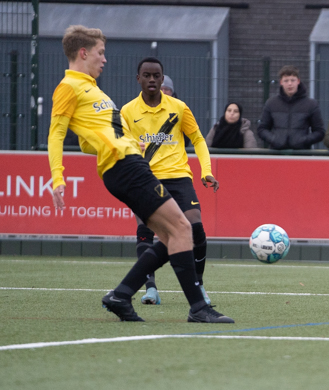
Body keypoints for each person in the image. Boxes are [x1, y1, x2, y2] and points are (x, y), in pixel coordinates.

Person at [46, 25, 231, 323]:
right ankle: (198, 308)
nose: (105, 59)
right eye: (100, 52)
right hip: (127, 167)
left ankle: (122, 295)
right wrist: (58, 177)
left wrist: (112, 141)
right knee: (183, 228)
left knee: (174, 233)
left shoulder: (91, 87)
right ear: (83, 53)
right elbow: (55, 135)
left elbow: (85, 141)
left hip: (127, 165)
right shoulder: (70, 87)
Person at [121, 57, 220, 307]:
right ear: (138, 79)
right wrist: (133, 147)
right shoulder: (127, 111)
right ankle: (150, 287)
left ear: (162, 79)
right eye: (147, 75)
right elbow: (120, 145)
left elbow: (198, 139)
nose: (152, 79)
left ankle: (198, 285)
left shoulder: (178, 107)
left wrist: (205, 170)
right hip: (145, 178)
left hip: (178, 177)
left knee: (195, 226)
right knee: (145, 231)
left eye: (157, 75)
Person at [257, 66, 325, 150]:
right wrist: (274, 139)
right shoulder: (271, 103)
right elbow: (262, 129)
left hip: (302, 155)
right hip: (276, 154)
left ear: (298, 81)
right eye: (286, 80)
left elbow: (320, 132)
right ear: (281, 82)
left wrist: (303, 141)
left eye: (293, 80)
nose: (290, 84)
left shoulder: (311, 104)